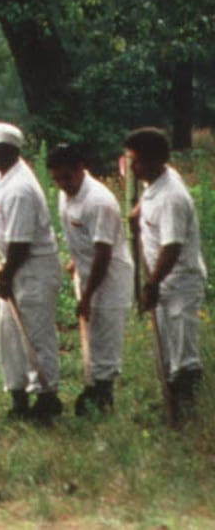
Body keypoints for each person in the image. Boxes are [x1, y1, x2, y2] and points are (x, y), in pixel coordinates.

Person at [0, 121, 62, 423]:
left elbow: (21, 244)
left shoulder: (21, 188)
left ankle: (47, 397)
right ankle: (18, 396)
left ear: (9, 152)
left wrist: (5, 274)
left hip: (32, 268)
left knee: (36, 334)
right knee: (9, 334)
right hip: (12, 267)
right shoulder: (1, 177)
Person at [125, 126, 207, 423]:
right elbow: (151, 208)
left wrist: (151, 284)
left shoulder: (172, 196)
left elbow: (171, 248)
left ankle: (185, 415)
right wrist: (138, 212)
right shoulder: (156, 183)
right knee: (166, 351)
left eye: (137, 161)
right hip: (163, 282)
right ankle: (169, 407)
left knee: (182, 352)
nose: (132, 168)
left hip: (179, 282)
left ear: (157, 160)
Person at [46, 143, 133, 416]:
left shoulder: (99, 202)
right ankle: (94, 387)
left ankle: (103, 395)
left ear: (81, 168)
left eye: (67, 177)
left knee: (105, 338)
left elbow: (103, 253)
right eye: (56, 178)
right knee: (92, 337)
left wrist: (86, 297)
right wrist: (75, 260)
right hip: (88, 271)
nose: (62, 184)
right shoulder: (65, 194)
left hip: (109, 277)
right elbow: (81, 237)